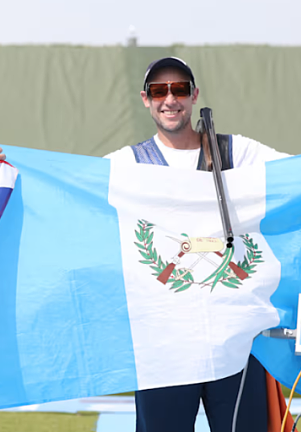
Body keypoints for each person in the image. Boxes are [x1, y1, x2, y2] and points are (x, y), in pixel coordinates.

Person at [106, 57, 288, 432]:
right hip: (164, 343)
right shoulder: (129, 164)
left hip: (235, 339)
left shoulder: (238, 153)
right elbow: (64, 185)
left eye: (179, 89)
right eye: (159, 90)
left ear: (194, 96)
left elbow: (294, 177)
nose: (169, 99)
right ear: (145, 99)